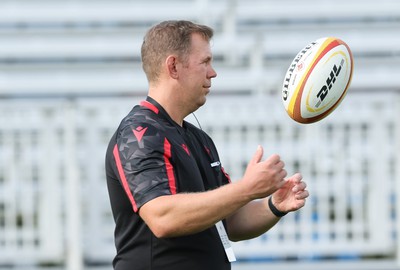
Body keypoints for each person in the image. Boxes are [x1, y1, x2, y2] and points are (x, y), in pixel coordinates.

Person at [105, 20, 309, 270]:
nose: (213, 72)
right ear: (173, 66)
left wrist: (274, 206)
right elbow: (162, 218)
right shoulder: (139, 133)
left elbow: (230, 222)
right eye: (205, 62)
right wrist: (247, 188)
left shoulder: (198, 139)